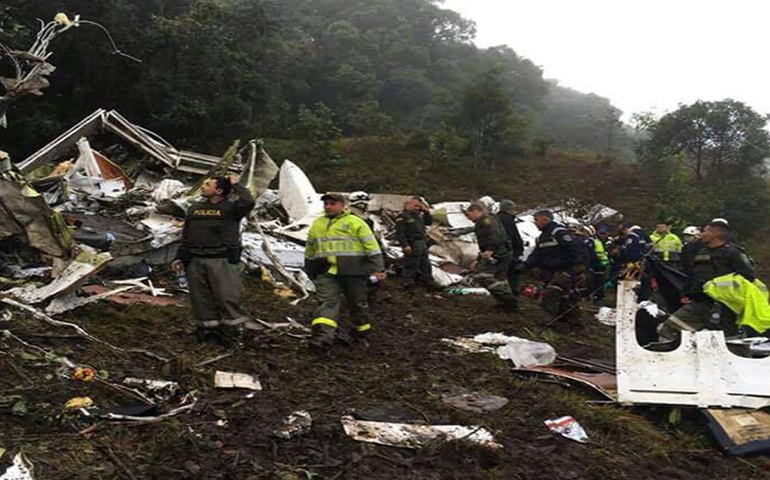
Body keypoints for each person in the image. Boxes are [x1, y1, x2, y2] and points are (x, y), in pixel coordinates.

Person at [172, 175, 255, 344]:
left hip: (221, 259)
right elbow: (187, 234)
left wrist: (237, 185)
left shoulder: (232, 209)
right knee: (201, 298)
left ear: (219, 190)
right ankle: (208, 332)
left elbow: (248, 202)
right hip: (195, 260)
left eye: (208, 184)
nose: (203, 186)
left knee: (227, 296)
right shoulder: (194, 209)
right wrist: (180, 257)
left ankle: (234, 333)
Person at [305, 193, 386, 348]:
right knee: (327, 302)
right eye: (326, 204)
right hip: (327, 272)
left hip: (354, 272)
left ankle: (360, 332)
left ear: (343, 205)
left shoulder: (356, 223)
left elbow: (372, 247)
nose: (328, 206)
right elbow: (310, 248)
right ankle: (322, 337)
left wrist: (378, 268)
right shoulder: (317, 224)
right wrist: (309, 267)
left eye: (332, 203)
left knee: (357, 304)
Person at [658, 222, 757, 341]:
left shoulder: (734, 253)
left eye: (705, 231)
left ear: (714, 234)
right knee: (670, 328)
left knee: (731, 341)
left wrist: (722, 288)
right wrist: (687, 292)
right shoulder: (702, 251)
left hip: (722, 307)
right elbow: (694, 274)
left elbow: (749, 276)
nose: (701, 234)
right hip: (699, 303)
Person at [525, 210, 588, 326]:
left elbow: (576, 249)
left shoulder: (559, 233)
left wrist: (580, 268)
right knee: (564, 297)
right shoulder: (542, 237)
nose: (535, 223)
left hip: (565, 270)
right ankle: (570, 322)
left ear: (545, 219)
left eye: (536, 220)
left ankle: (548, 323)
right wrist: (524, 265)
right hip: (549, 272)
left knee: (551, 293)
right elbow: (537, 255)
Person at [464, 203, 519, 311]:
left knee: (481, 275)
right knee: (500, 278)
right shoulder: (489, 219)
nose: (468, 218)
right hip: (502, 252)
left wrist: (491, 250)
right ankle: (506, 303)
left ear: (476, 211)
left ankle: (508, 300)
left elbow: (494, 235)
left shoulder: (486, 221)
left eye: (469, 215)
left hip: (497, 253)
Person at [395, 196, 434, 289]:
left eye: (419, 205)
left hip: (422, 242)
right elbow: (400, 233)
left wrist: (426, 211)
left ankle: (428, 281)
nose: (417, 207)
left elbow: (429, 222)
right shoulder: (403, 216)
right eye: (415, 205)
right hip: (412, 243)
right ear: (408, 205)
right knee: (411, 263)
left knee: (425, 263)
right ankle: (407, 282)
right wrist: (405, 245)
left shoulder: (418, 216)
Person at [496, 199, 525, 311]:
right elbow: (512, 237)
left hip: (500, 253)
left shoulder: (496, 219)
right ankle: (512, 303)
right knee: (513, 277)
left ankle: (502, 301)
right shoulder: (507, 220)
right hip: (510, 253)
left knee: (500, 278)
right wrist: (518, 250)